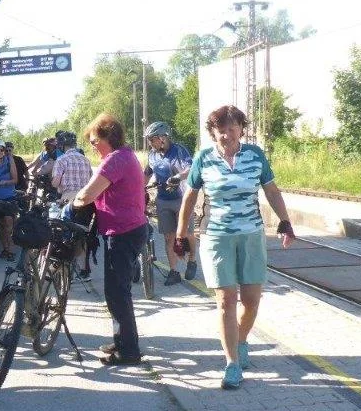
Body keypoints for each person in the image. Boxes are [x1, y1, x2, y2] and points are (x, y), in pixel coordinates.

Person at [176, 105, 295, 391]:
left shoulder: (255, 156)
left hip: (252, 236)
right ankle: (231, 363)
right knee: (226, 299)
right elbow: (190, 198)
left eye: (232, 129)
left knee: (251, 300)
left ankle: (241, 341)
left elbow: (271, 190)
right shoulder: (203, 158)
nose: (226, 135)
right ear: (213, 133)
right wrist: (181, 234)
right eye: (221, 130)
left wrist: (285, 222)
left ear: (241, 129)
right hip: (216, 236)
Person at [72, 114, 147, 366]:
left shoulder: (114, 161)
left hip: (122, 232)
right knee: (115, 291)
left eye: (95, 141)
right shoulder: (124, 156)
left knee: (117, 293)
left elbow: (87, 195)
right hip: (128, 229)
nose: (92, 146)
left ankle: (129, 352)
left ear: (109, 137)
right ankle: (122, 340)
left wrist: (70, 204)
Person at [143, 121, 197, 286]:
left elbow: (191, 168)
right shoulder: (152, 155)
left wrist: (178, 177)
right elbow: (146, 174)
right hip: (163, 199)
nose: (150, 143)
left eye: (152, 139)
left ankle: (192, 260)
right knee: (169, 237)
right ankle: (174, 272)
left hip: (181, 198)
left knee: (186, 233)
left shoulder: (179, 150)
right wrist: (137, 188)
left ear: (163, 138)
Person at [50, 131, 93, 206]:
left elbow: (55, 184)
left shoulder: (61, 160)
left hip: (68, 199)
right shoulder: (85, 160)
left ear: (61, 145)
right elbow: (91, 180)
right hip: (85, 199)